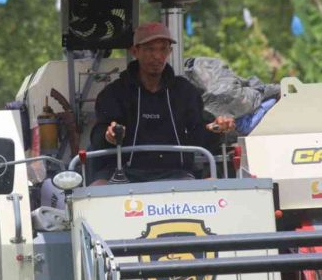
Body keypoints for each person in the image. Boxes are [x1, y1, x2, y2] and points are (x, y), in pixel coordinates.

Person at [90, 22, 235, 184]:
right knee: (96, 188)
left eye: (163, 49)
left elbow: (198, 136)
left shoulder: (184, 91)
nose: (157, 56)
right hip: (122, 174)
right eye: (150, 49)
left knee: (213, 186)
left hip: (176, 174)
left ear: (170, 52)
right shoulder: (114, 92)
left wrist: (215, 129)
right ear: (135, 51)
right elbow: (98, 137)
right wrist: (109, 135)